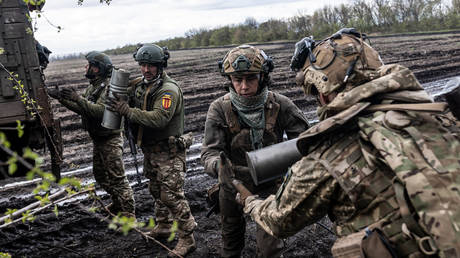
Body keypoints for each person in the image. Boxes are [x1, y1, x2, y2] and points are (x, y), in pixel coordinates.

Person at [238, 29, 460, 257]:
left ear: (323, 92)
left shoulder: (330, 153)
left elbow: (279, 220)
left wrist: (251, 203)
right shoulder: (438, 116)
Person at [201, 44, 310, 258]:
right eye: (237, 79)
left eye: (250, 78)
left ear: (262, 77)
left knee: (270, 247)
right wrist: (218, 165)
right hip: (232, 184)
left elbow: (306, 143)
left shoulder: (281, 105)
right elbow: (209, 152)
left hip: (272, 185)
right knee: (230, 242)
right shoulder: (219, 109)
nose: (243, 86)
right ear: (229, 79)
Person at [106, 43, 196, 257]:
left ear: (161, 65)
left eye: (151, 66)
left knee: (172, 195)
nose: (146, 69)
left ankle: (187, 238)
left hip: (169, 150)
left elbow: (159, 118)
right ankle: (164, 226)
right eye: (143, 65)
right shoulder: (142, 85)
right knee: (156, 191)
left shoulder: (168, 90)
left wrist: (127, 110)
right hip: (151, 150)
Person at [48, 51, 135, 217]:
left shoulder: (110, 87)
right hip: (99, 139)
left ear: (97, 69)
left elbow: (99, 111)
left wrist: (78, 98)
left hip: (110, 139)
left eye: (88, 65)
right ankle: (118, 203)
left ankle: (129, 214)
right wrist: (61, 98)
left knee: (117, 178)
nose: (85, 67)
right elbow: (84, 110)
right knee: (101, 176)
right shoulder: (93, 86)